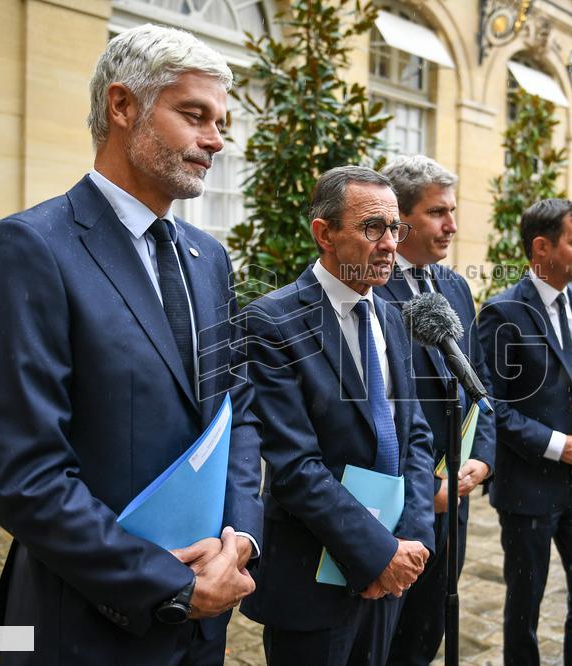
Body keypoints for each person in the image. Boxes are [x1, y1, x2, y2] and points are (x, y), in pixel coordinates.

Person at [0, 25, 262, 665]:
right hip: (88, 628)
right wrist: (170, 582)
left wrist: (239, 541)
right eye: (194, 115)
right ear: (122, 106)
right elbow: (29, 479)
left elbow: (236, 412)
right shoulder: (30, 249)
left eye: (221, 121)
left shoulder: (209, 258)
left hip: (206, 626)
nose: (215, 140)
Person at [238, 166, 436, 665]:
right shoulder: (273, 321)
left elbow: (413, 436)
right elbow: (294, 466)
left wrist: (411, 540)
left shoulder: (392, 316)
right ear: (324, 233)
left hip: (393, 567)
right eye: (373, 227)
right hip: (312, 580)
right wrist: (376, 554)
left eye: (396, 228)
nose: (390, 243)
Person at [477, 199, 572, 665]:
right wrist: (558, 446)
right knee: (524, 608)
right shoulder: (501, 312)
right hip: (527, 490)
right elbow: (492, 406)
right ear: (542, 247)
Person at [373, 156, 495, 665]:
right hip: (398, 507)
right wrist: (426, 490)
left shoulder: (456, 287)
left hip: (457, 499)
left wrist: (483, 460)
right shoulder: (370, 283)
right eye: (437, 212)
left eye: (452, 211)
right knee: (386, 643)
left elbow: (481, 384)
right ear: (400, 220)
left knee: (427, 636)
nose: (452, 225)